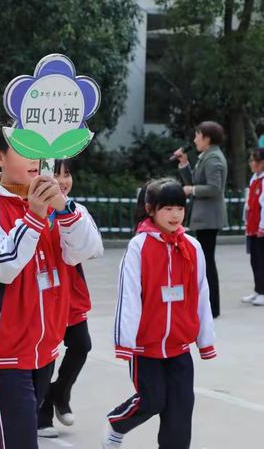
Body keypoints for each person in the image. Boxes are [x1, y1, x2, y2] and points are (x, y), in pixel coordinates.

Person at [0, 123, 103, 449]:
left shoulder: (62, 205)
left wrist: (63, 209)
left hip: (46, 344)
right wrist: (34, 216)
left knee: (8, 434)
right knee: (21, 439)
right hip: (7, 345)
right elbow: (2, 267)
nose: (37, 158)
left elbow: (87, 250)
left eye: (42, 150)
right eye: (26, 148)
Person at [103, 178, 216, 449]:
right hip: (146, 347)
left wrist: (205, 341)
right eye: (167, 208)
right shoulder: (139, 246)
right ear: (151, 209)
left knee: (180, 409)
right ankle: (117, 424)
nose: (175, 214)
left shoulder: (193, 247)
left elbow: (201, 295)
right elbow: (128, 297)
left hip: (179, 347)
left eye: (179, 207)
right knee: (153, 400)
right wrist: (125, 342)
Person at [38, 159, 103, 438]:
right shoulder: (34, 209)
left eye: (67, 174)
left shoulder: (76, 209)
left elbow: (93, 249)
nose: (63, 180)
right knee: (46, 354)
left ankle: (59, 392)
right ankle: (41, 413)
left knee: (81, 345)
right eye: (56, 174)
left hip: (71, 292)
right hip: (44, 293)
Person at [173, 121, 228, 318]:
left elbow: (214, 188)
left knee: (207, 262)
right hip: (204, 217)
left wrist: (192, 190)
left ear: (207, 138)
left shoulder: (214, 159)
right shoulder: (207, 156)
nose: (195, 139)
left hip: (209, 218)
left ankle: (212, 307)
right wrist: (184, 163)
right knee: (204, 261)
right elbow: (195, 182)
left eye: (198, 135)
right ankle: (208, 306)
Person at [241, 148, 264, 306]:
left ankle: (263, 292)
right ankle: (258, 290)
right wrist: (246, 221)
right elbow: (249, 203)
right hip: (253, 226)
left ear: (262, 163)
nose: (250, 163)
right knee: (254, 260)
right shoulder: (253, 179)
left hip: (261, 229)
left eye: (253, 160)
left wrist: (262, 226)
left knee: (262, 260)